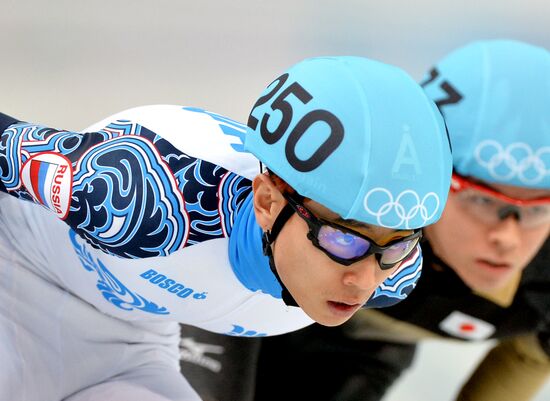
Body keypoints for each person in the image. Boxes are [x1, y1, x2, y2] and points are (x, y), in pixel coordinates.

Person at [0, 55, 452, 401]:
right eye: (343, 238)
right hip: (16, 274)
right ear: (267, 200)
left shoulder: (397, 273)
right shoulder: (147, 196)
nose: (364, 281)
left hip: (129, 345)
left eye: (394, 248)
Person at [252, 40, 550, 401]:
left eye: (539, 209)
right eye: (481, 200)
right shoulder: (353, 193)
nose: (508, 237)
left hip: (365, 344)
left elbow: (530, 354)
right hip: (278, 312)